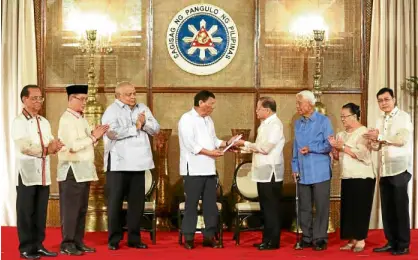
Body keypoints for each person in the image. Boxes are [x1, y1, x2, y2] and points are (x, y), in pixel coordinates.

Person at [102, 81, 160, 250]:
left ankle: (134, 238)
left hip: (139, 163)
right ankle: (114, 239)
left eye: (134, 93)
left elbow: (156, 129)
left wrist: (144, 124)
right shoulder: (111, 111)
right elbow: (112, 133)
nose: (133, 97)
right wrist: (135, 127)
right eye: (128, 94)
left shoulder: (143, 108)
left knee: (137, 204)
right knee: (115, 204)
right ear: (118, 96)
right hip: (118, 164)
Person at [178, 90, 237, 250]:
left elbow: (213, 140)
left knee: (210, 205)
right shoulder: (187, 118)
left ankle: (209, 236)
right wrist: (210, 152)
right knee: (191, 204)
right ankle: (189, 237)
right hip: (194, 170)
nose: (212, 107)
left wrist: (227, 144)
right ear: (201, 103)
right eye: (211, 104)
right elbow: (190, 144)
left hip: (209, 169)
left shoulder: (208, 120)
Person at [12, 85, 64, 259]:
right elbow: (24, 147)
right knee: (26, 211)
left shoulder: (43, 121)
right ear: (24, 100)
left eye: (40, 98)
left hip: (43, 173)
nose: (38, 101)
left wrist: (55, 146)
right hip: (27, 173)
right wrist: (46, 149)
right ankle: (26, 248)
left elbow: (49, 142)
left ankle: (38, 244)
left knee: (41, 211)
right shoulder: (19, 122)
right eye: (34, 98)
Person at [57, 85, 109, 256]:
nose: (85, 103)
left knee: (81, 208)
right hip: (72, 169)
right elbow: (72, 146)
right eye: (82, 99)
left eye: (85, 99)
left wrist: (94, 136)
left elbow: (87, 142)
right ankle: (67, 243)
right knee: (71, 209)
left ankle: (78, 241)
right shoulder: (67, 119)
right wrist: (93, 137)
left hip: (84, 168)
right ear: (71, 99)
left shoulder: (81, 118)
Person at [363, 87, 413, 256]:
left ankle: (404, 244)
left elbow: (401, 140)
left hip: (399, 168)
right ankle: (391, 241)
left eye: (386, 99)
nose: (383, 103)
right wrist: (372, 142)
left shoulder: (403, 117)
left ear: (394, 99)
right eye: (380, 101)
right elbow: (378, 146)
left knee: (400, 208)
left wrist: (379, 138)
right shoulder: (379, 120)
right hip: (384, 169)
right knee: (387, 208)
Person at [236, 97, 285, 250]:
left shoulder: (275, 125)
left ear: (267, 110)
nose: (256, 111)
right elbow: (258, 147)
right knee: (265, 207)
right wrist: (242, 148)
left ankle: (273, 241)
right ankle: (266, 239)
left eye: (258, 108)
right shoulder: (264, 125)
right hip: (261, 170)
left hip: (270, 172)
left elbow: (265, 148)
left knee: (271, 208)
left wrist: (245, 143)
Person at [328, 103, 375, 252]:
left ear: (354, 116)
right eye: (341, 116)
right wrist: (334, 150)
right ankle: (352, 239)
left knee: (360, 208)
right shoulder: (341, 134)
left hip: (362, 176)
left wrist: (342, 147)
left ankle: (361, 239)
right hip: (347, 176)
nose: (342, 119)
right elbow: (338, 157)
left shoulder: (364, 132)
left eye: (345, 116)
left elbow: (362, 154)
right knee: (348, 209)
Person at [291, 90, 334, 251]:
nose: (297, 106)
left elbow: (329, 145)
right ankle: (306, 237)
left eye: (299, 103)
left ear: (310, 104)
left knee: (322, 206)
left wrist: (312, 148)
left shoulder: (324, 121)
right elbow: (296, 147)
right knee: (304, 206)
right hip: (302, 171)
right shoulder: (298, 123)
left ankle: (320, 238)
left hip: (320, 171)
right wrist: (294, 167)